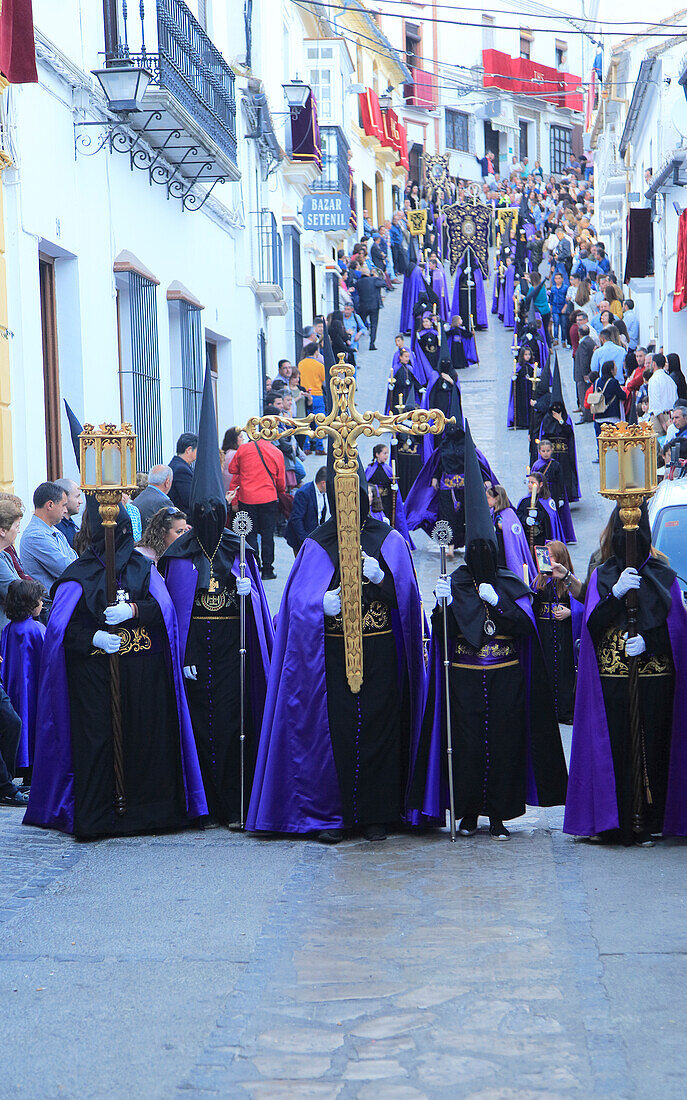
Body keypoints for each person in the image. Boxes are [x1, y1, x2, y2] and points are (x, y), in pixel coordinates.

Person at [247, 457, 425, 843]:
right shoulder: (316, 544)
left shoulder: (389, 540)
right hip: (329, 659)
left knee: (382, 730)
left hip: (380, 655)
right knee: (334, 735)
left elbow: (410, 604)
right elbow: (296, 603)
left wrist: (384, 578)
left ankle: (378, 814)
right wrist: (319, 605)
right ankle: (335, 813)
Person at [407, 423, 567, 840]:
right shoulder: (457, 582)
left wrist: (499, 604)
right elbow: (440, 636)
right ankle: (468, 812)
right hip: (462, 677)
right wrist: (441, 606)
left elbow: (523, 628)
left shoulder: (509, 585)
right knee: (465, 745)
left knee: (503, 747)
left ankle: (499, 814)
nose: (479, 556)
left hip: (505, 677)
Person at [24, 497, 208, 838]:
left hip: (144, 676)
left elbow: (165, 613)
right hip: (94, 679)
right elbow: (62, 631)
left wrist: (134, 611)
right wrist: (93, 637)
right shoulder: (77, 575)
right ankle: (99, 816)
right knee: (97, 742)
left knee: (147, 739)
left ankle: (150, 813)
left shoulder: (142, 568)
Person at [161, 367, 273, 829]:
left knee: (232, 725)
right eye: (201, 512)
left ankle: (234, 802)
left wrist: (248, 594)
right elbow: (172, 611)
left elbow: (260, 610)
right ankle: (199, 803)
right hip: (196, 655)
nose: (207, 517)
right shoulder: (177, 553)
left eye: (215, 511)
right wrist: (182, 650)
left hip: (232, 651)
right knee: (197, 728)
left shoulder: (236, 548)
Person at [564, 506, 687, 846]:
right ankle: (615, 821)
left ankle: (649, 819)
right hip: (612, 681)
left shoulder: (664, 575)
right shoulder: (603, 575)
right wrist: (615, 595)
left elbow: (677, 632)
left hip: (655, 680)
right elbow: (592, 625)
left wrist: (649, 641)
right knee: (616, 749)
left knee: (653, 750)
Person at [531, 541, 582, 724]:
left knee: (564, 672)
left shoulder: (569, 581)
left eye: (551, 556)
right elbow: (531, 608)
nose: (548, 560)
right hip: (545, 635)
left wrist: (571, 612)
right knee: (546, 671)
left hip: (563, 635)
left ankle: (565, 710)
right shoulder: (539, 581)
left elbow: (582, 604)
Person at [0, 578, 46, 777]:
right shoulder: (36, 630)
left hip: (13, 687)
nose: (43, 603)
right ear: (30, 603)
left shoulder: (8, 629)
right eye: (40, 600)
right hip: (34, 688)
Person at [226, 433, 286, 581]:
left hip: (248, 498)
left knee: (249, 533)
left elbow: (232, 469)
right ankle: (268, 569)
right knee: (267, 534)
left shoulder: (243, 449)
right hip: (268, 497)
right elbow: (281, 482)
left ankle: (253, 566)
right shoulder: (276, 452)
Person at [19, 482, 77, 599]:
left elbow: (75, 559)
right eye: (63, 505)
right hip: (48, 608)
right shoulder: (36, 536)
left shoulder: (52, 529)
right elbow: (68, 569)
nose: (65, 510)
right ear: (50, 505)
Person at [539, 356, 581, 505]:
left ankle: (567, 496)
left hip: (563, 454)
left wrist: (560, 421)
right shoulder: (547, 419)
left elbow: (569, 432)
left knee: (565, 475)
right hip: (551, 453)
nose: (556, 410)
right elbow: (545, 434)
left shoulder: (566, 418)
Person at [364, 444, 414, 549]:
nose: (386, 456)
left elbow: (393, 484)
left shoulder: (388, 469)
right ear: (377, 454)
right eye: (384, 453)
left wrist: (394, 487)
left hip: (387, 501)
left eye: (387, 453)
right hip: (376, 501)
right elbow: (366, 484)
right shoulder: (370, 469)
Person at [486, 483, 535, 583]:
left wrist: (505, 528)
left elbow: (515, 531)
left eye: (488, 497)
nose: (486, 500)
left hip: (505, 551)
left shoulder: (509, 513)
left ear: (496, 499)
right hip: (496, 552)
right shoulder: (492, 512)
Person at [532, 438, 576, 544]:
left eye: (548, 451)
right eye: (543, 451)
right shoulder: (536, 465)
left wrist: (561, 497)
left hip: (554, 493)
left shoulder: (556, 465)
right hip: (541, 494)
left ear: (552, 450)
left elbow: (561, 482)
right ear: (539, 452)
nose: (546, 453)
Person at [0, 494, 28, 634]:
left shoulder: (5, 555)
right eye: (16, 526)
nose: (18, 530)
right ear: (3, 531)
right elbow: (17, 592)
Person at [516, 472, 566, 550]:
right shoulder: (524, 500)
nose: (529, 485)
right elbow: (518, 515)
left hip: (542, 539)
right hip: (527, 539)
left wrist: (538, 514)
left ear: (541, 484)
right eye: (529, 482)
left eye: (532, 483)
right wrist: (525, 519)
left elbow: (551, 519)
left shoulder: (548, 501)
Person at [285, 466, 328, 555]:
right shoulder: (303, 493)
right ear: (323, 483)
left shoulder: (322, 493)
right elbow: (296, 519)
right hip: (301, 539)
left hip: (314, 538)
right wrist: (305, 540)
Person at [297, 341, 326, 455]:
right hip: (317, 394)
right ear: (316, 352)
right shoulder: (319, 365)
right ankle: (319, 447)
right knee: (320, 421)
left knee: (306, 421)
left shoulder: (301, 364)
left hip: (305, 394)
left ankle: (306, 446)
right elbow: (324, 382)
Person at [507, 344, 536, 430]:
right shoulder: (519, 366)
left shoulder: (532, 366)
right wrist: (514, 377)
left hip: (530, 389)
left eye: (529, 355)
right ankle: (522, 422)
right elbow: (515, 379)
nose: (527, 356)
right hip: (521, 390)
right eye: (526, 355)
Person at [356, 265, 385, 350]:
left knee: (361, 323)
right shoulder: (374, 280)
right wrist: (376, 277)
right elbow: (383, 283)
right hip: (374, 306)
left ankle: (356, 342)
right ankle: (372, 344)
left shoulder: (358, 282)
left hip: (363, 306)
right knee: (374, 325)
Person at [169, 433, 198, 513]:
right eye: (197, 450)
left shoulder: (176, 464)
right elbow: (189, 499)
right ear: (189, 450)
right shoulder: (182, 470)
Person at [574, 322, 596, 419]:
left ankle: (586, 415)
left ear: (579, 333)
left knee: (584, 395)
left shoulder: (584, 343)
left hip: (583, 375)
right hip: (587, 373)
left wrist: (584, 374)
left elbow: (584, 360)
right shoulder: (590, 341)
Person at [54, 479, 82, 547]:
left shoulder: (70, 524)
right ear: (64, 497)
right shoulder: (57, 528)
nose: (81, 501)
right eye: (77, 496)